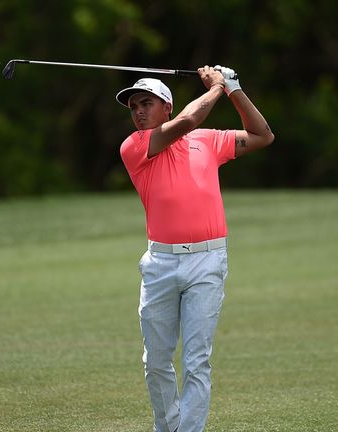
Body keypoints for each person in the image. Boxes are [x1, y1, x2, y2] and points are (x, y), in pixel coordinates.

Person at [116, 65, 274, 432]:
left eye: (146, 103)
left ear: (165, 106)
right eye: (133, 106)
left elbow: (262, 135)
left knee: (196, 361)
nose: (138, 111)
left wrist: (234, 88)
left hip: (207, 261)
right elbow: (189, 119)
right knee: (155, 361)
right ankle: (166, 427)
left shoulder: (209, 140)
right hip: (160, 265)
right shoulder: (136, 145)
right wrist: (217, 87)